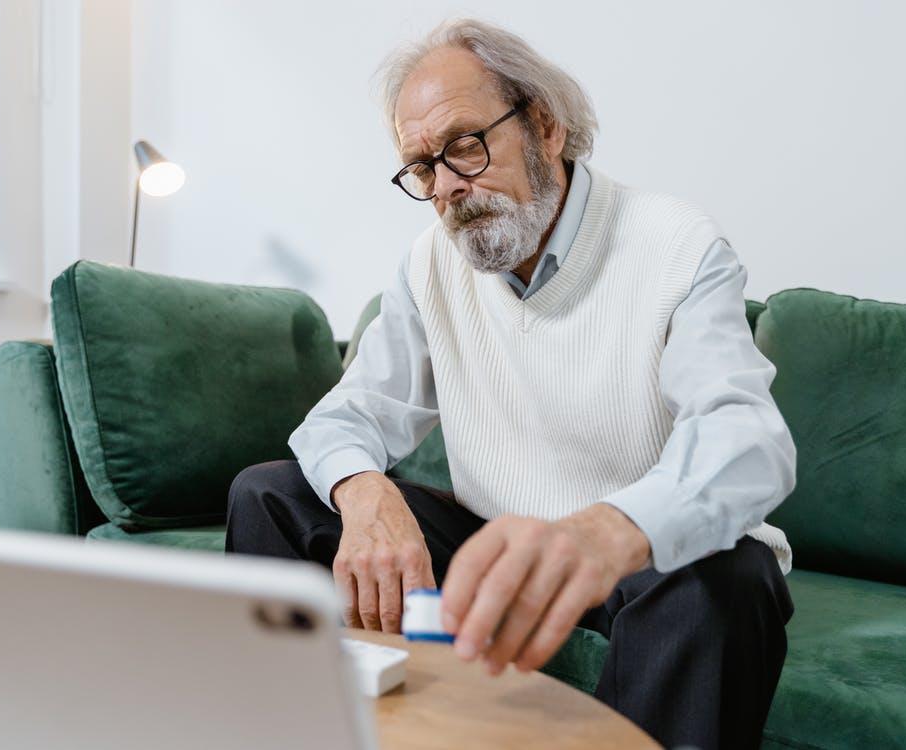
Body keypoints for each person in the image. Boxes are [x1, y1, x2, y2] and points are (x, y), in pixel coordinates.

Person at [227, 18, 795, 749]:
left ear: (545, 128)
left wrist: (604, 530)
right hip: (494, 543)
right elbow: (347, 416)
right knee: (270, 494)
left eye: (465, 145)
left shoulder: (677, 244)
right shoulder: (430, 261)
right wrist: (368, 495)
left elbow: (748, 441)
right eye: (424, 167)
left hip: (638, 560)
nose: (449, 189)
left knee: (724, 579)